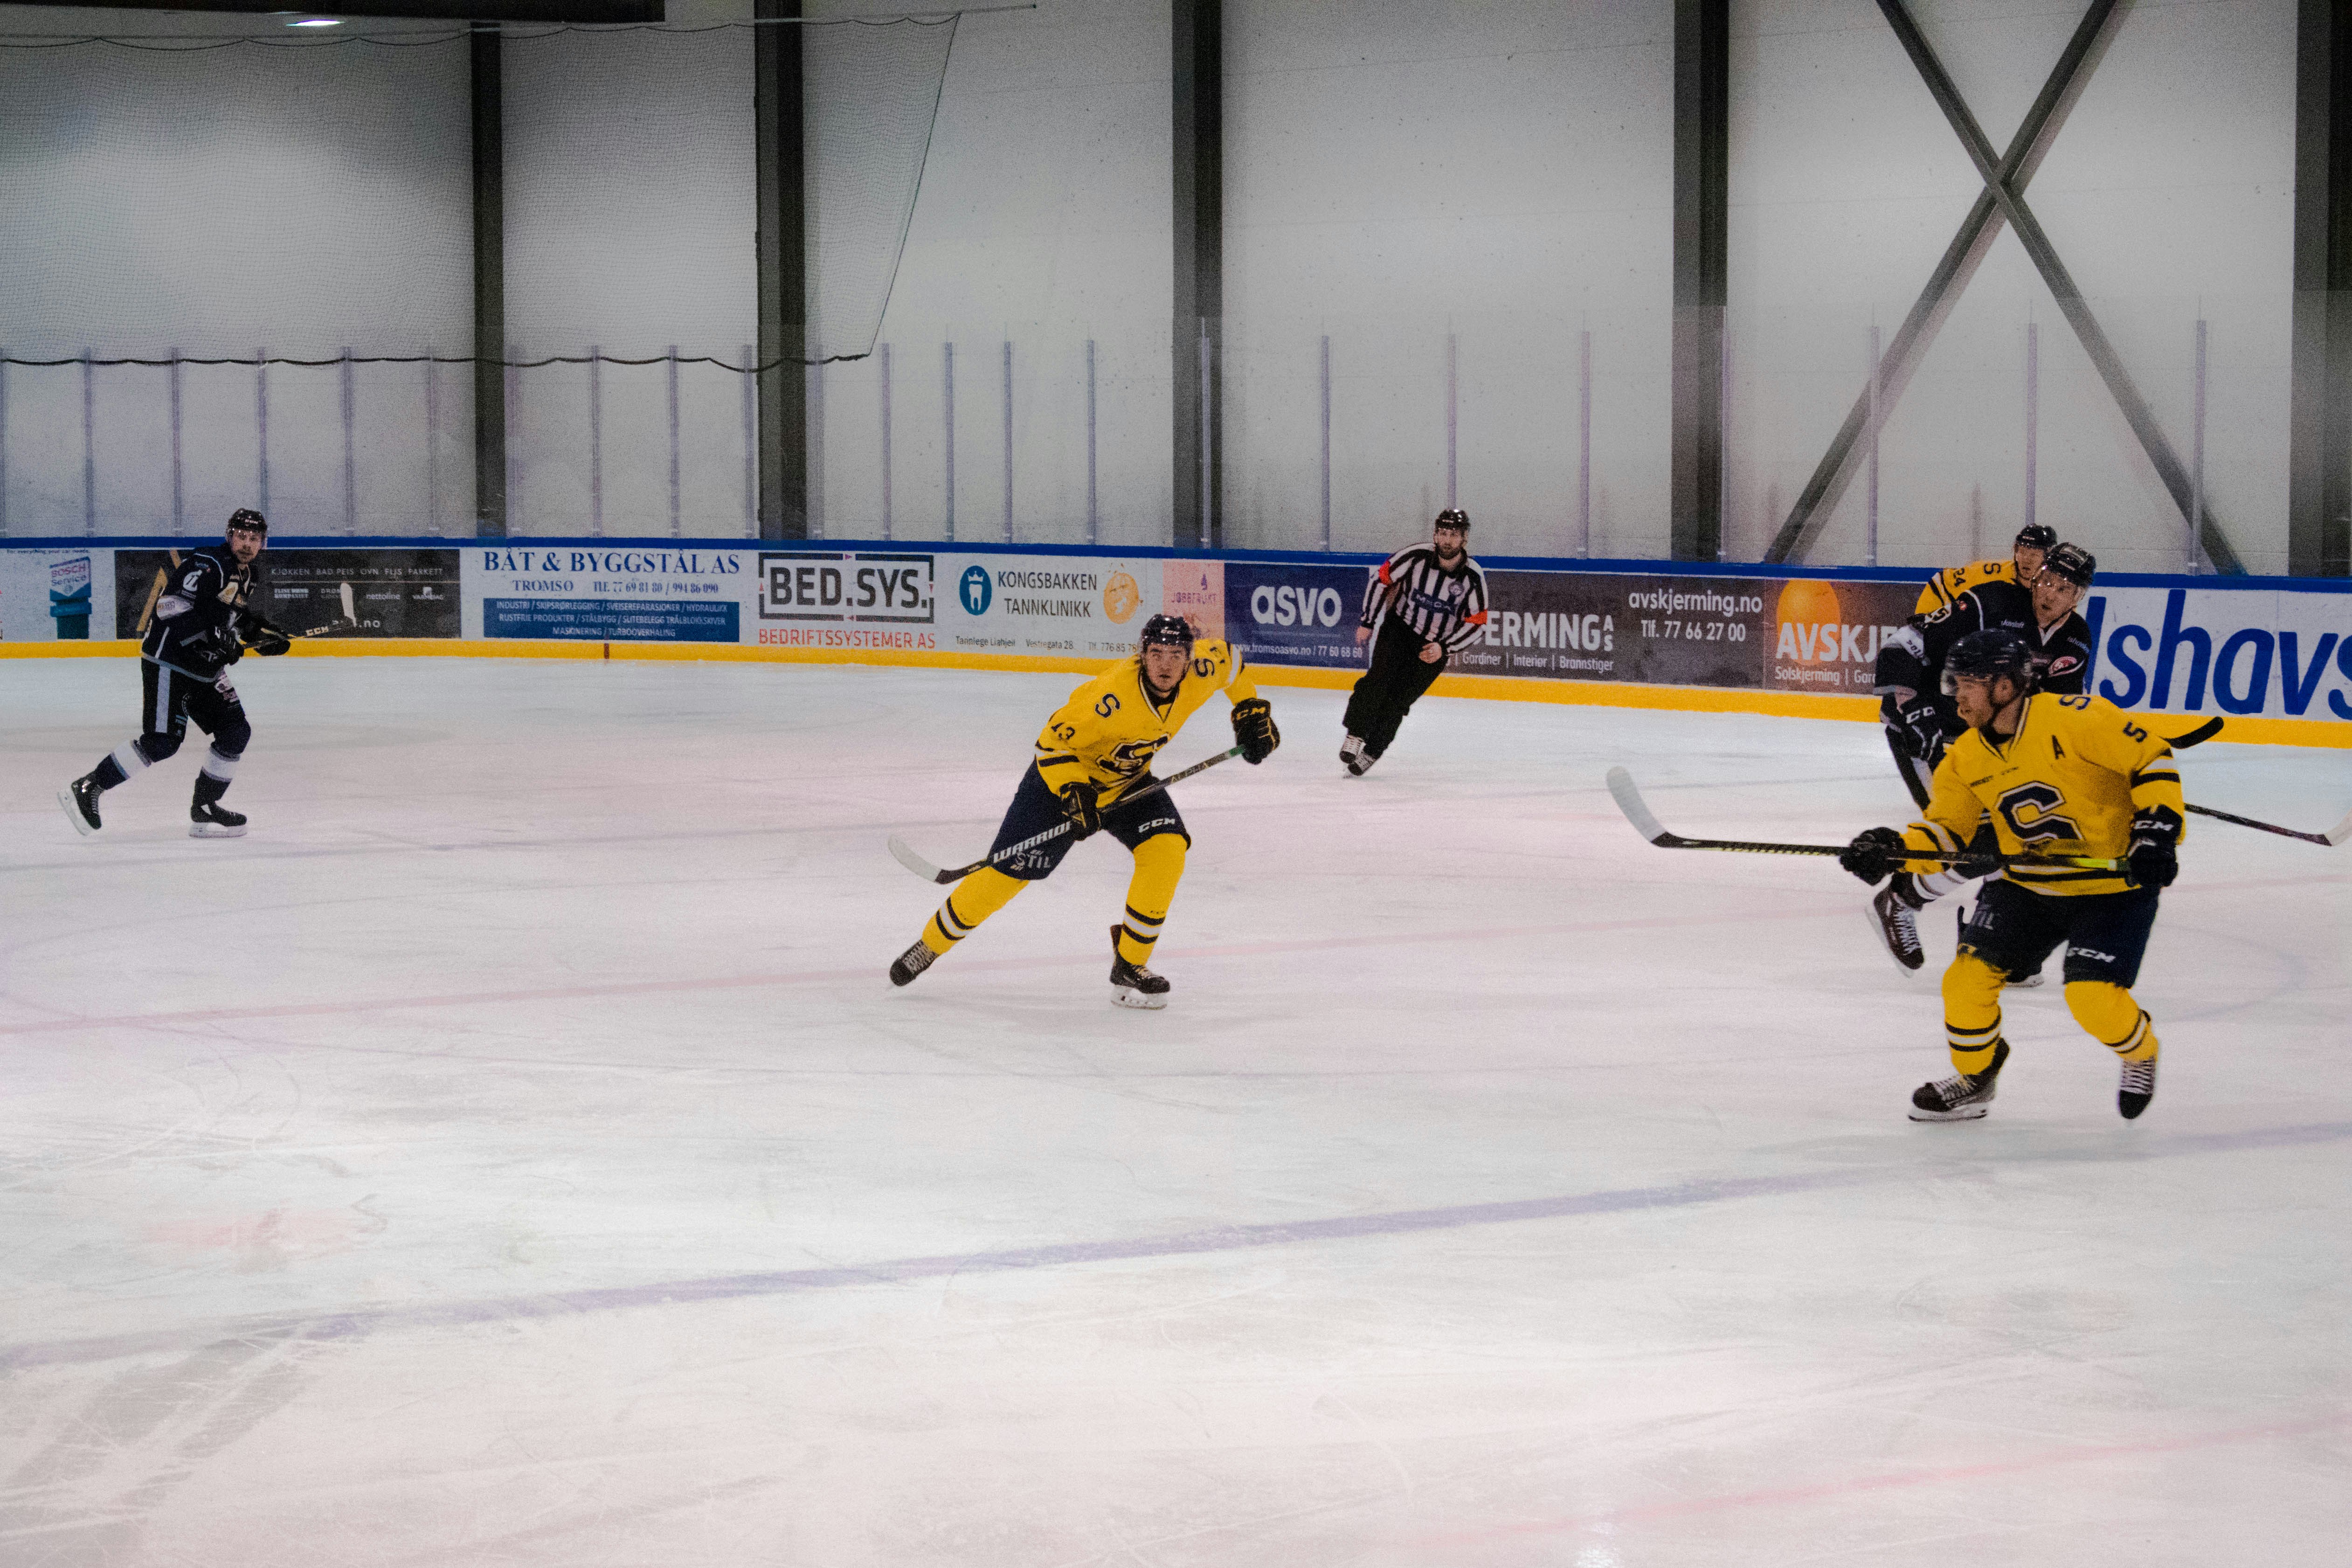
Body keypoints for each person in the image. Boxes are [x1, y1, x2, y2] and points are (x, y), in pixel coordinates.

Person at [1839, 628, 2181, 1122]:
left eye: (1966, 684)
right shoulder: (1965, 756)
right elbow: (1946, 833)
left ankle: (2139, 1051)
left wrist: (2155, 833)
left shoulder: (2076, 718)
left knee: (2090, 997)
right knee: (1964, 984)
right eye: (1953, 683)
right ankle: (1977, 1078)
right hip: (2026, 885)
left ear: (2004, 686)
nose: (1955, 695)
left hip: (2112, 887)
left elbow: (2151, 760)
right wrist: (1895, 852)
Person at [889, 613, 1279, 1008]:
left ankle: (1130, 963)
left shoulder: (1204, 668)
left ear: (1189, 658)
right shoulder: (1109, 698)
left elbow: (1233, 661)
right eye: (1156, 653)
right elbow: (1050, 744)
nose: (1165, 664)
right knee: (1004, 878)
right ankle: (930, 945)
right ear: (1142, 655)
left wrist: (1249, 709)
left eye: (1176, 654)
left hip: (1127, 782)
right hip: (1060, 786)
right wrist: (1074, 791)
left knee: (1166, 850)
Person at [1866, 541, 2099, 973]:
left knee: (2012, 835)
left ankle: (1988, 941)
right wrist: (1914, 709)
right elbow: (1904, 643)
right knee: (1978, 836)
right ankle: (1902, 899)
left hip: (1982, 743)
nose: (2048, 592)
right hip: (1927, 731)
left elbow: (2053, 712)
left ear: (2078, 596)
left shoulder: (2075, 638)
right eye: (2046, 579)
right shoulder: (1990, 600)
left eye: (2063, 588)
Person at [59, 509, 290, 840]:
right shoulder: (207, 564)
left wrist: (261, 633)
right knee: (163, 742)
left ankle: (205, 808)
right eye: (241, 535)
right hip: (170, 661)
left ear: (263, 543)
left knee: (235, 731)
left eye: (254, 538)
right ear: (229, 535)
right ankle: (89, 786)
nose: (247, 543)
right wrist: (214, 636)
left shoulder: (248, 574)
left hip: (206, 671)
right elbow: (170, 607)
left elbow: (231, 616)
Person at [1341, 507, 1489, 776]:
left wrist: (1444, 648)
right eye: (1442, 533)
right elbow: (1380, 580)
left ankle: (1373, 751)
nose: (1446, 540)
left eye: (1453, 535)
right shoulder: (1416, 556)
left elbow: (1478, 625)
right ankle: (1356, 733)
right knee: (1377, 681)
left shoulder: (1473, 577)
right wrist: (1368, 621)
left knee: (1398, 701)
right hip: (1400, 629)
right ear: (1435, 534)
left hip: (1433, 648)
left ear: (1465, 539)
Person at [1913, 521, 2055, 616]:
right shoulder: (1991, 572)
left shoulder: (2055, 588)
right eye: (2022, 552)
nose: (2026, 560)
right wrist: (1925, 618)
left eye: (2034, 555)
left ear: (2047, 558)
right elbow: (1941, 583)